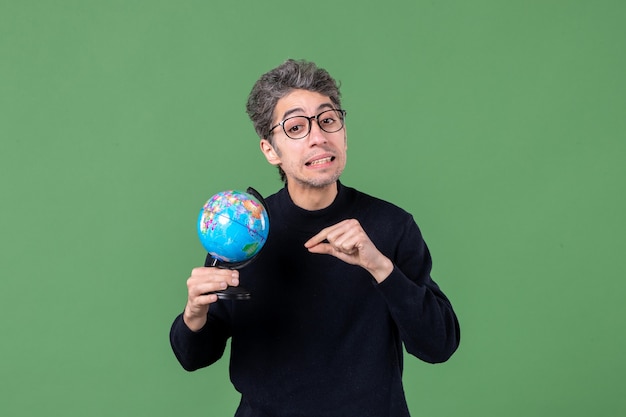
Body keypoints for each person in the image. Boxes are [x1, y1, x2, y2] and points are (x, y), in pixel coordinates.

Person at [170, 59, 460, 417]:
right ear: (270, 150)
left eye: (328, 120)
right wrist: (194, 314)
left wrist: (380, 267)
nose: (318, 137)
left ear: (343, 131)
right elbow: (194, 356)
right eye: (295, 128)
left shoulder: (390, 226)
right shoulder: (243, 230)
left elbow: (439, 344)